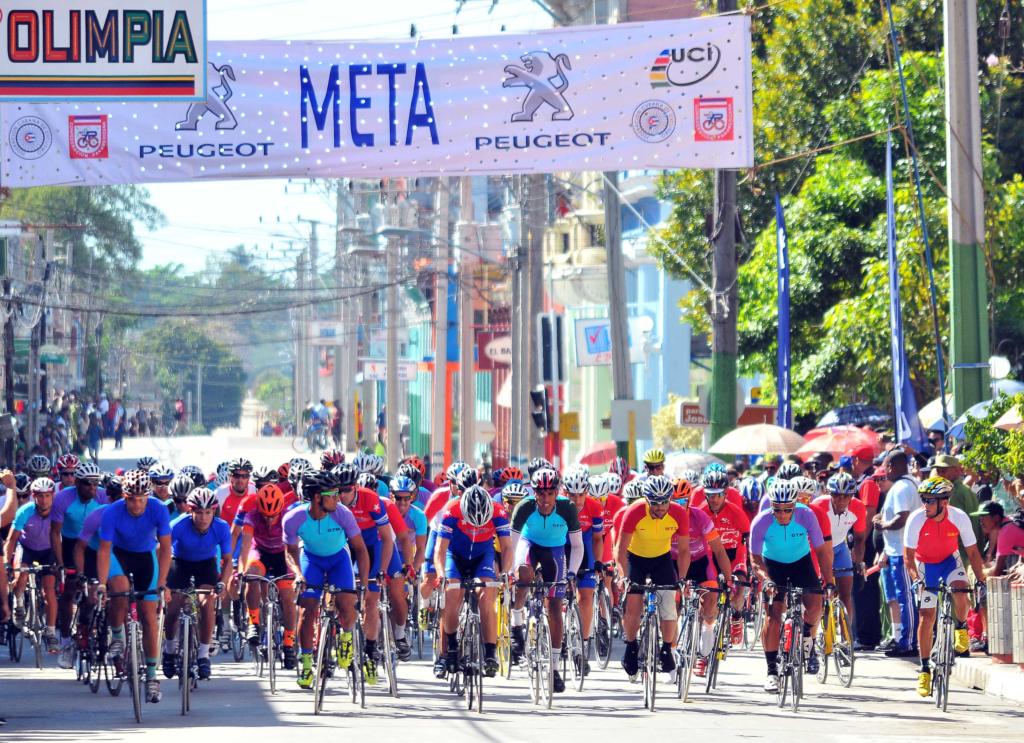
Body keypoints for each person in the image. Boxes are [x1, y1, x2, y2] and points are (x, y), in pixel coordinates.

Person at [283, 469, 370, 690]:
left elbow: (360, 549)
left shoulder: (342, 514)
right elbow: (290, 551)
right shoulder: (294, 519)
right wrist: (298, 575)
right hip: (311, 559)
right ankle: (305, 664)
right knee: (307, 609)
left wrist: (365, 583)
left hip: (339, 559)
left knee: (346, 603)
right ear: (317, 497)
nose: (338, 498)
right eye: (332, 493)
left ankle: (346, 639)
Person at [904, 476, 987, 697]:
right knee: (926, 616)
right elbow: (908, 558)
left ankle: (961, 627)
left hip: (950, 561)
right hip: (924, 565)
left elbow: (972, 552)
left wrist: (980, 580)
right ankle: (924, 669)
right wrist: (916, 580)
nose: (926, 505)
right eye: (923, 500)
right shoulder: (916, 519)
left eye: (930, 500)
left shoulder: (959, 517)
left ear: (944, 502)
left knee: (961, 590)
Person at [95, 469, 172, 704]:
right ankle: (117, 636)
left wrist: (161, 584)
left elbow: (166, 549)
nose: (137, 504)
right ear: (124, 496)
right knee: (119, 589)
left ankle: (151, 677)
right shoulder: (112, 512)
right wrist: (101, 584)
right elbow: (105, 550)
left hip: (145, 557)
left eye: (141, 499)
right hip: (119, 555)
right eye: (131, 499)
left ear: (148, 497)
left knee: (149, 617)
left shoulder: (158, 509)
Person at [750, 480, 835, 692]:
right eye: (777, 510)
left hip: (801, 562)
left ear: (795, 505)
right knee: (773, 614)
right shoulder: (761, 521)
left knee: (815, 604)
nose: (782, 515)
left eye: (788, 510)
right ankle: (771, 671)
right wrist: (766, 579)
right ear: (772, 506)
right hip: (773, 565)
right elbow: (755, 559)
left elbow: (822, 552)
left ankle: (807, 635)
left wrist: (830, 581)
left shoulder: (807, 515)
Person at [509, 467, 584, 693]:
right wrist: (513, 573)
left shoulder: (567, 508)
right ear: (534, 492)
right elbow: (512, 547)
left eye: (550, 493)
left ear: (557, 492)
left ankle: (553, 668)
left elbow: (578, 546)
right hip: (529, 544)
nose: (545, 499)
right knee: (524, 573)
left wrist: (571, 574)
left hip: (555, 550)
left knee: (554, 606)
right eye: (540, 494)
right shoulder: (523, 507)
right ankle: (517, 624)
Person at [433, 484, 512, 679]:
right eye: (472, 523)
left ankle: (490, 653)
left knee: (487, 596)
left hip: (482, 556)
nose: (477, 527)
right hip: (456, 555)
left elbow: (508, 548)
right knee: (452, 594)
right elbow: (440, 550)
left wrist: (505, 573)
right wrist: (441, 574)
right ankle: (448, 651)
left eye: (481, 523)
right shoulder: (451, 510)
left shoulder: (498, 512)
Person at [616, 475, 690, 680]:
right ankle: (631, 646)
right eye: (655, 504)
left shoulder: (678, 513)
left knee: (669, 604)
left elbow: (684, 551)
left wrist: (682, 579)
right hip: (635, 559)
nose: (660, 508)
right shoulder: (635, 511)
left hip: (661, 559)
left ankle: (666, 648)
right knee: (634, 605)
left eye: (664, 502)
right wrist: (623, 576)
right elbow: (620, 549)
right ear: (647, 500)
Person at [163, 488, 232, 681]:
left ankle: (203, 654)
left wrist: (224, 583)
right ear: (190, 511)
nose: (203, 518)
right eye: (199, 513)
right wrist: (164, 583)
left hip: (206, 564)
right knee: (174, 607)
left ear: (213, 512)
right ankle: (169, 650)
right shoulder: (177, 525)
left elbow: (227, 560)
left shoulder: (222, 527)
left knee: (207, 603)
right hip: (180, 562)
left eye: (208, 512)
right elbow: (164, 554)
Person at [50, 461, 108, 667]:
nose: (92, 489)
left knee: (92, 594)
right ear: (77, 483)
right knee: (69, 591)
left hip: (91, 545)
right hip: (69, 544)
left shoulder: (102, 496)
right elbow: (55, 533)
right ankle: (65, 640)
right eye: (87, 485)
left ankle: (88, 629)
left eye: (95, 484)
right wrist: (60, 565)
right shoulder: (62, 499)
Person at [4, 478, 61, 654]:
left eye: (47, 496)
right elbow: (12, 539)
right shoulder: (25, 511)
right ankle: (19, 602)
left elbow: (62, 538)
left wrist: (62, 563)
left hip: (48, 550)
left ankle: (51, 633)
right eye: (39, 496)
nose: (44, 500)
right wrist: (7, 563)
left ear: (52, 496)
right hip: (26, 549)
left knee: (49, 590)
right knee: (20, 577)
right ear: (33, 496)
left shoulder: (58, 513)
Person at [875, 449, 920, 655]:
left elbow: (903, 518)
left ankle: (908, 643)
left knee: (906, 598)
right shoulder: (902, 485)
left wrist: (882, 525)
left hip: (904, 552)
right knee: (902, 597)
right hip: (895, 550)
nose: (886, 471)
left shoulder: (903, 487)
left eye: (887, 467)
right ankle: (903, 638)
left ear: (894, 467)